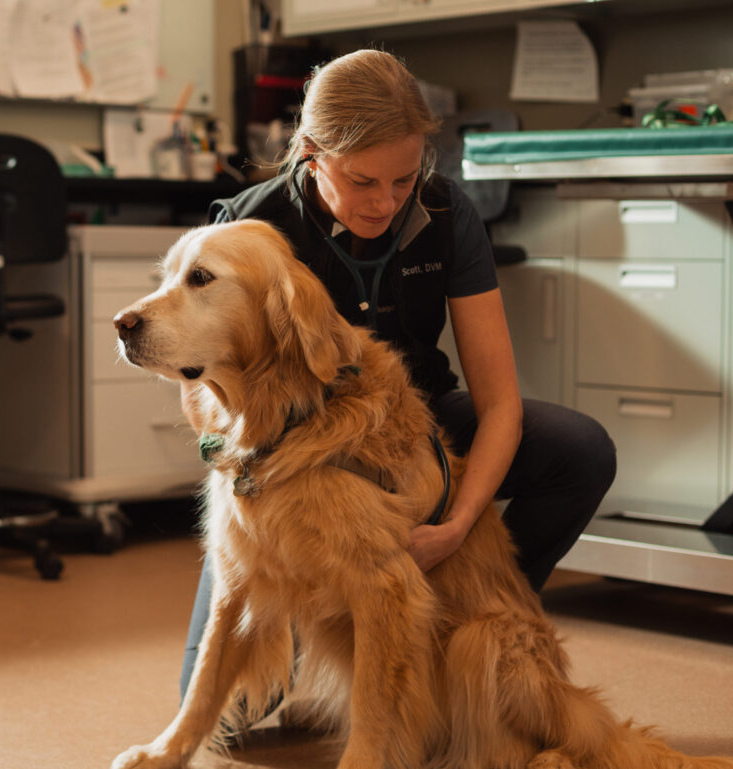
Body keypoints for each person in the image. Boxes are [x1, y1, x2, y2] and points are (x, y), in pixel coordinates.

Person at [179, 49, 616, 697]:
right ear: (312, 154)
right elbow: (209, 410)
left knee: (579, 452)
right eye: (362, 181)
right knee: (232, 711)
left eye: (403, 180)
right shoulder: (250, 228)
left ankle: (463, 620)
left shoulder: (447, 215)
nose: (385, 202)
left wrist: (457, 527)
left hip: (419, 430)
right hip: (294, 456)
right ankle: (328, 629)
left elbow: (501, 407)